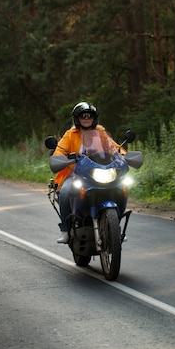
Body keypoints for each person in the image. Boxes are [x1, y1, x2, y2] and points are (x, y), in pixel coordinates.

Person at [53, 101, 124, 243]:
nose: (86, 119)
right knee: (66, 192)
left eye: (89, 116)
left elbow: (114, 148)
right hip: (75, 173)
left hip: (99, 171)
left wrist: (124, 155)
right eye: (83, 116)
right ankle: (65, 230)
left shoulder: (101, 133)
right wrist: (59, 158)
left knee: (121, 187)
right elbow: (60, 150)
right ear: (77, 118)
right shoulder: (70, 134)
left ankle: (116, 228)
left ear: (94, 118)